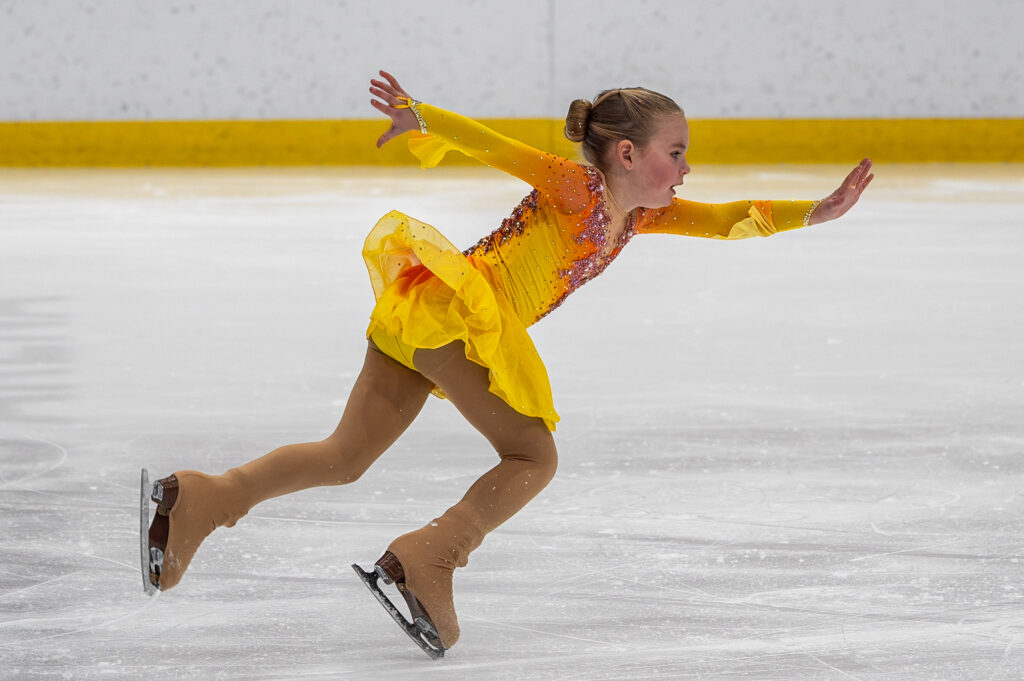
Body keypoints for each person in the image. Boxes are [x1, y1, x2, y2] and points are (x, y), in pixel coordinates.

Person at [142, 70, 873, 656]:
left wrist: (816, 210)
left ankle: (207, 498)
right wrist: (421, 115)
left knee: (345, 456)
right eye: (675, 152)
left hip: (426, 311)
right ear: (627, 154)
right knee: (533, 453)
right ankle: (431, 554)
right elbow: (494, 147)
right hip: (462, 314)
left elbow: (724, 219)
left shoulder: (637, 214)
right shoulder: (574, 188)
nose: (687, 168)